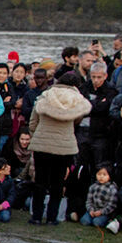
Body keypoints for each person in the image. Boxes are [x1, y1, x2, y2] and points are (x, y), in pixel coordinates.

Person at [27, 72, 92, 225]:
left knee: (40, 181)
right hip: (64, 146)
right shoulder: (77, 100)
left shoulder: (45, 96)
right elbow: (77, 120)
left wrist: (37, 136)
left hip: (41, 144)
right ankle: (52, 217)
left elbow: (32, 122)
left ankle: (36, 216)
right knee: (58, 183)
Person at [80, 162, 118, 228]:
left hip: (105, 213)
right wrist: (90, 210)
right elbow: (89, 201)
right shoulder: (93, 186)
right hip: (93, 210)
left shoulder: (112, 189)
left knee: (97, 222)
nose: (101, 176)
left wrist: (101, 212)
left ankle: (108, 220)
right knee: (84, 221)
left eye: (104, 175)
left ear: (110, 176)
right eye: (99, 174)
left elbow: (112, 205)